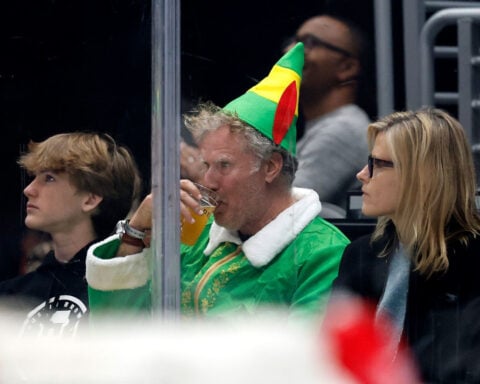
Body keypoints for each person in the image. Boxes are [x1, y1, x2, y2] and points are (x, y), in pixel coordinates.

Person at [86, 43, 350, 318]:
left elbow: (303, 356)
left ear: (270, 167)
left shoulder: (323, 253)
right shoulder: (196, 233)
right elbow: (118, 328)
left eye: (223, 165)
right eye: (206, 165)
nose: (208, 181)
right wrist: (136, 232)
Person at [329, 107, 480, 383]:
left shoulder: (473, 260)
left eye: (376, 163)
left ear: (421, 175)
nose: (362, 174)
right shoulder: (361, 254)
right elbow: (333, 356)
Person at [0, 132, 142, 336]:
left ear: (90, 199)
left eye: (49, 178)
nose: (29, 189)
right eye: (35, 178)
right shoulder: (10, 295)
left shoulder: (122, 290)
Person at [283, 14, 371, 214]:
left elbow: (279, 207)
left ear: (347, 68)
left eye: (308, 43)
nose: (289, 51)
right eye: (292, 42)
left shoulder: (343, 129)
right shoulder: (327, 125)